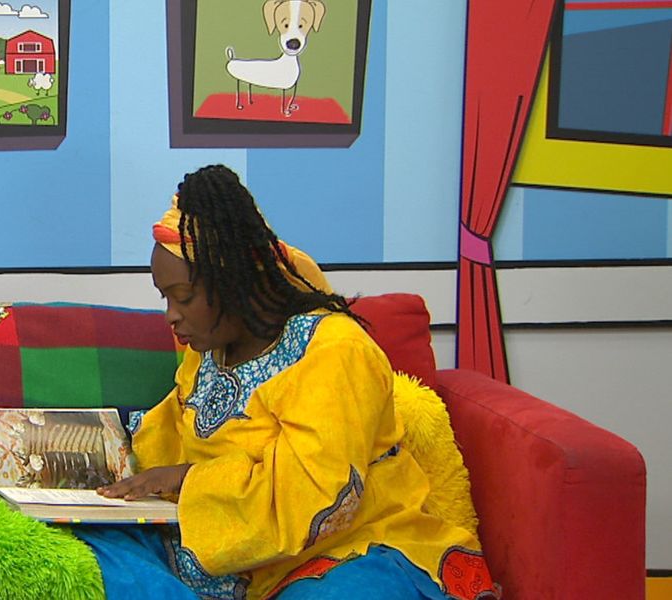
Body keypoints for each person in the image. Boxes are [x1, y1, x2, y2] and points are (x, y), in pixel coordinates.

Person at [81, 165, 498, 599]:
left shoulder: (334, 352)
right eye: (164, 296)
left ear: (234, 281)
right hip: (222, 550)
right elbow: (168, 434)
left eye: (183, 297)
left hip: (351, 548)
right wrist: (98, 458)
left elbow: (315, 497)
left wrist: (187, 479)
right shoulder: (207, 349)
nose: (171, 314)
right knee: (86, 551)